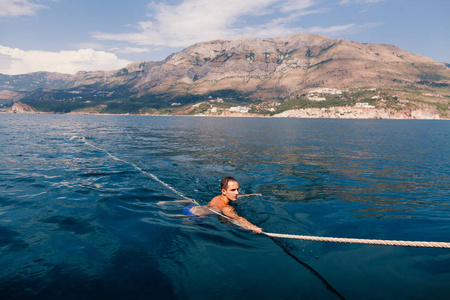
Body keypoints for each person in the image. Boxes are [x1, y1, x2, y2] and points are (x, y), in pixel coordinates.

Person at [190, 176, 263, 234]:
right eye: (233, 190)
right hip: (195, 218)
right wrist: (254, 228)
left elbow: (238, 196)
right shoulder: (225, 208)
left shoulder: (218, 197)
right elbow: (238, 219)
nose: (237, 193)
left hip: (192, 208)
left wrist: (252, 195)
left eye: (237, 189)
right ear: (224, 191)